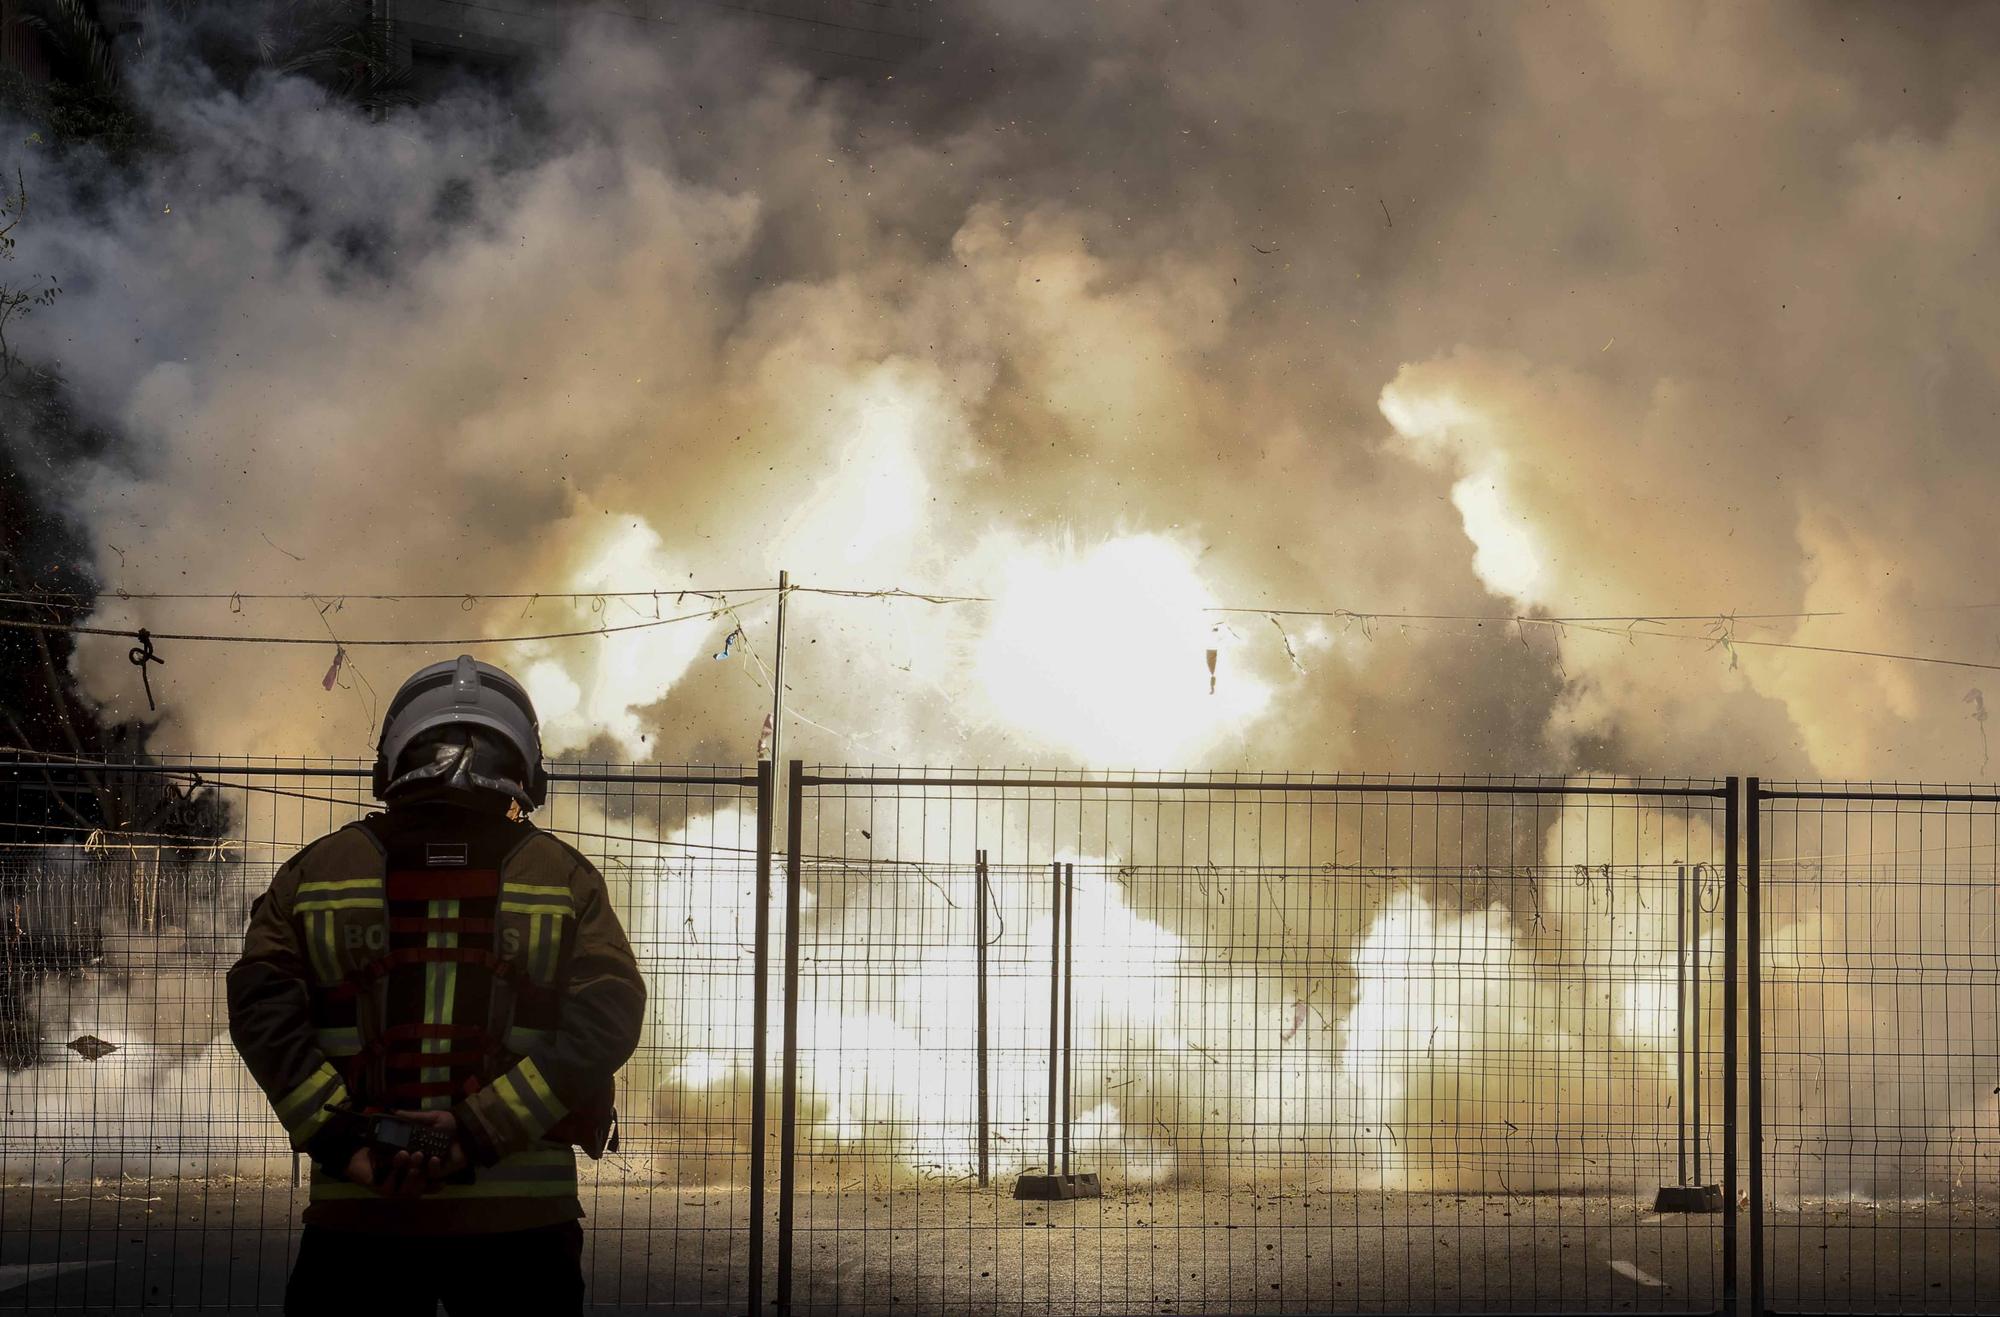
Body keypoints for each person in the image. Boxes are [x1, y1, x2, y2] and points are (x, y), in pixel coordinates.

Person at [227, 656, 645, 1316]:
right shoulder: (562, 876)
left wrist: (345, 1140)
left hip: (361, 1216)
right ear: (523, 762)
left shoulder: (315, 873)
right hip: (522, 1224)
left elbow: (260, 1011)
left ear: (396, 755)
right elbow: (611, 1011)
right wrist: (475, 1130)